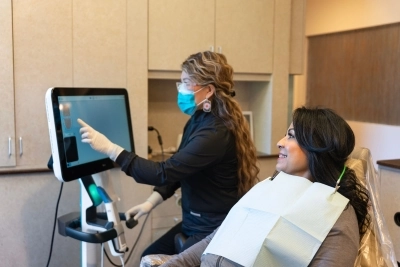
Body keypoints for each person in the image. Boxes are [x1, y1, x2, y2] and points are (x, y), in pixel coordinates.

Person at [77, 51, 260, 256]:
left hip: (213, 230)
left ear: (208, 90)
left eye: (185, 83)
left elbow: (163, 172)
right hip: (194, 223)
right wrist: (150, 203)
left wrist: (111, 149)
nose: (180, 89)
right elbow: (178, 170)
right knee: (148, 257)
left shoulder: (216, 132)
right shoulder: (199, 119)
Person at [156, 107, 371, 267]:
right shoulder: (267, 189)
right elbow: (215, 240)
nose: (280, 142)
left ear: (316, 148)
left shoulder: (336, 215)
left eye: (291, 136)